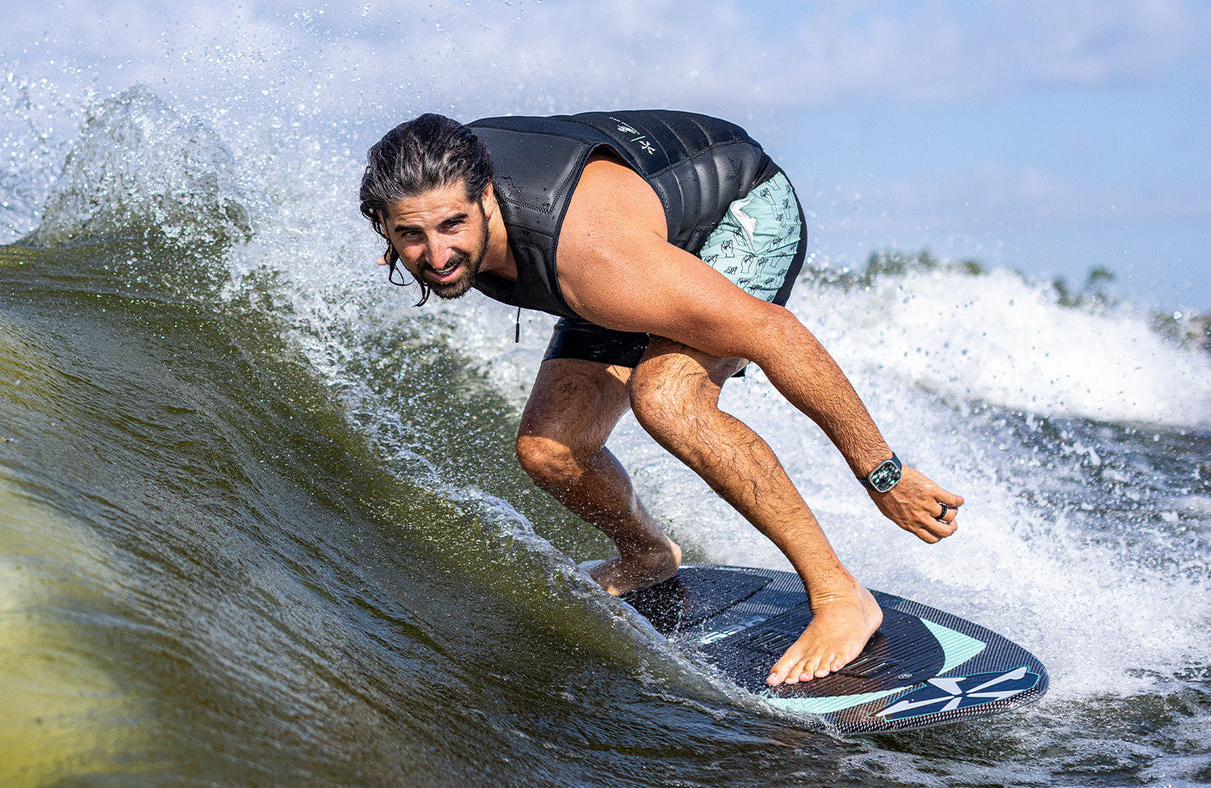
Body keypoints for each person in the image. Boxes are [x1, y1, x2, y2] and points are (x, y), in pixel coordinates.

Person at [357, 111, 965, 687]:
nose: (436, 256)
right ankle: (648, 555)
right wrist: (420, 235)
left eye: (452, 227)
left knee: (669, 402)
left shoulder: (593, 261)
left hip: (738, 212)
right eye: (411, 235)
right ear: (384, 223)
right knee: (550, 451)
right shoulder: (435, 198)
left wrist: (882, 474)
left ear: (487, 196)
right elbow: (431, 227)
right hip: (629, 243)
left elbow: (777, 336)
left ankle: (839, 594)